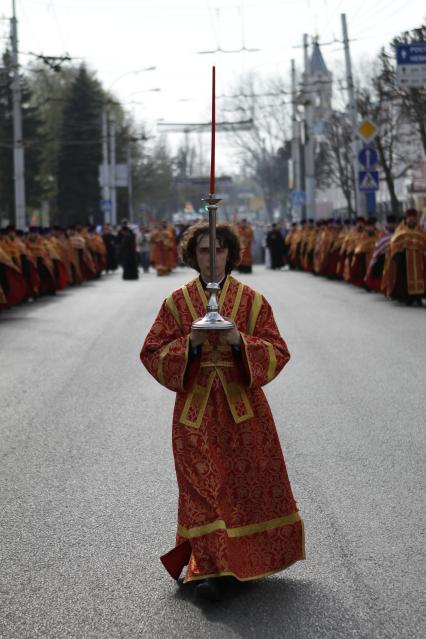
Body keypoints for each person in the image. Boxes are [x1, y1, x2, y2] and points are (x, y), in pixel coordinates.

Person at [140, 221, 305, 602]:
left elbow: (278, 350)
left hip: (243, 412)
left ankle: (240, 558)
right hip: (194, 415)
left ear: (230, 252)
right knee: (202, 490)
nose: (211, 257)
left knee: (238, 489)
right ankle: (211, 564)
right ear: (191, 256)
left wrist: (237, 341)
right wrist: (190, 344)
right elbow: (151, 352)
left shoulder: (252, 301)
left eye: (218, 249)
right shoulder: (176, 303)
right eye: (202, 250)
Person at [382, 208, 426, 305]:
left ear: (416, 219)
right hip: (404, 259)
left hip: (418, 259)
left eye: (413, 218)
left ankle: (418, 297)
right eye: (409, 218)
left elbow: (424, 243)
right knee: (404, 279)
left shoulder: (420, 231)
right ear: (406, 219)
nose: (411, 220)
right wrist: (400, 249)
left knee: (420, 278)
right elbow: (393, 244)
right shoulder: (400, 231)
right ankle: (407, 297)